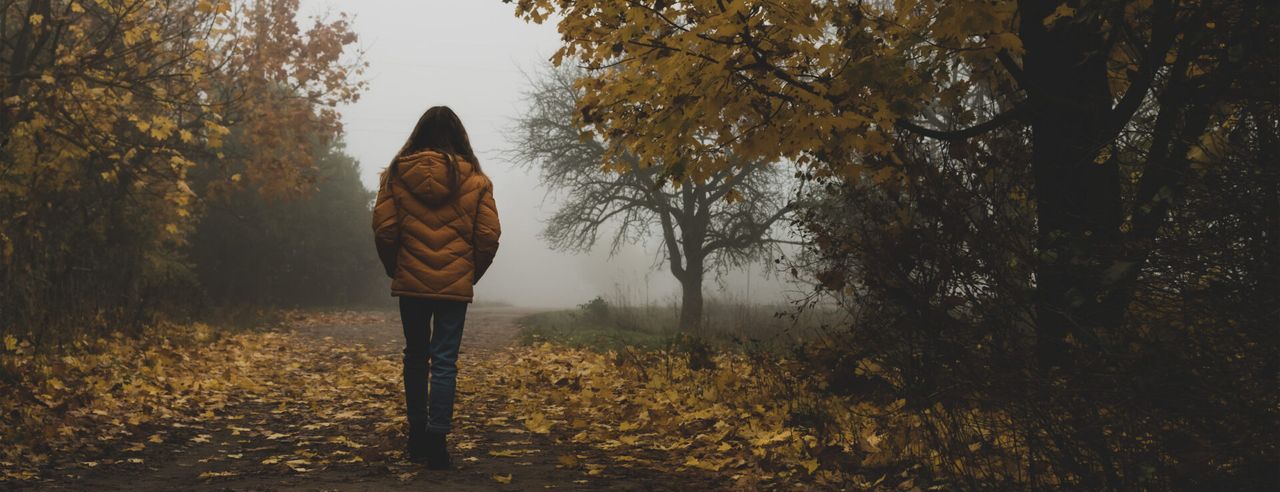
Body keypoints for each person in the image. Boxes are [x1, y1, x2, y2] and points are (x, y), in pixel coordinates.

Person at [371, 106, 500, 469]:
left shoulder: (396, 176)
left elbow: (384, 230)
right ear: (459, 137)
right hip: (453, 284)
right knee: (444, 360)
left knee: (415, 356)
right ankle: (437, 441)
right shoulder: (475, 179)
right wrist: (469, 273)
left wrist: (394, 267)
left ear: (418, 134)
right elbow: (488, 236)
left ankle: (415, 437)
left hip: (410, 281)